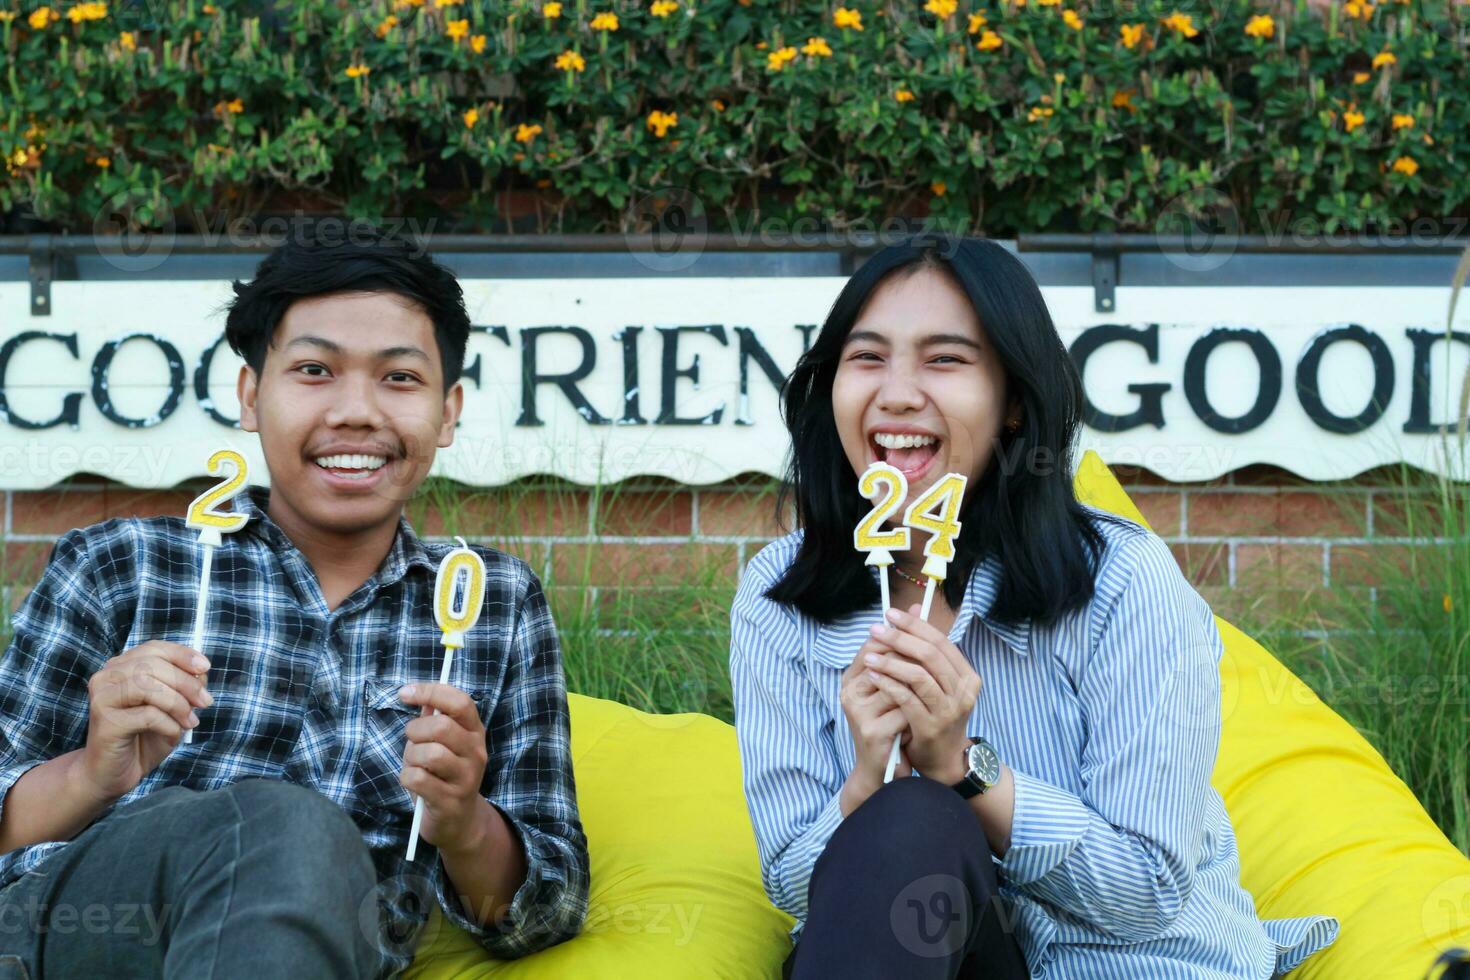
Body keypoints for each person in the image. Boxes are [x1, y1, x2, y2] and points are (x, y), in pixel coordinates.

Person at [729, 235, 1340, 979]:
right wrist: (866, 781)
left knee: (929, 805)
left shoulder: (1122, 584)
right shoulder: (777, 599)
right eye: (867, 358)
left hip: (1125, 962)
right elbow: (793, 888)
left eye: (944, 359)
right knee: (907, 819)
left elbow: (1150, 890)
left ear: (1014, 402)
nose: (896, 393)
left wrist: (963, 768)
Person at [0, 228, 588, 979]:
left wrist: (464, 820)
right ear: (251, 395)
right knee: (283, 823)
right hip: (74, 930)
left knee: (302, 840)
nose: (355, 412)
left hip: (327, 944)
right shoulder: (122, 564)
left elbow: (548, 911)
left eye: (399, 379)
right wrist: (93, 772)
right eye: (314, 370)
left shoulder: (492, 606)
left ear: (447, 412)